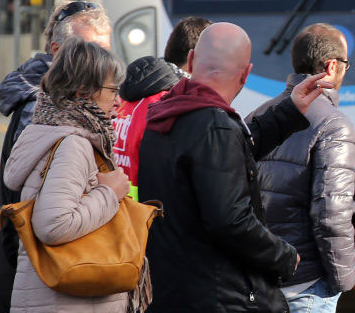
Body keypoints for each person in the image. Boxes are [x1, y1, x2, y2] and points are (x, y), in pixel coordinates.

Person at [137, 22, 332, 312]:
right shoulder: (215, 126)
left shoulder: (165, 116)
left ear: (191, 61)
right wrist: (283, 256)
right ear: (246, 73)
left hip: (171, 290)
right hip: (218, 296)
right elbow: (230, 220)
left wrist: (290, 111)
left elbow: (224, 159)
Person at [0, 0, 112, 313]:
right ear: (57, 51)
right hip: (56, 279)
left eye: (105, 52)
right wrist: (110, 193)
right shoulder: (55, 116)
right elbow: (51, 220)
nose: (102, 63)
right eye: (89, 52)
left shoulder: (56, 104)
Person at [2, 38, 134, 311]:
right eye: (112, 90)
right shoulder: (74, 143)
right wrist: (109, 192)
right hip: (68, 301)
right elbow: (54, 225)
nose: (118, 100)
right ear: (83, 91)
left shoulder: (48, 130)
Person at [250, 23, 355, 312]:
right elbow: (331, 215)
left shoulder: (257, 116)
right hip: (306, 287)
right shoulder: (334, 126)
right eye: (346, 64)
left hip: (261, 281)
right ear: (332, 66)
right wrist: (342, 279)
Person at [112, 17, 212, 200]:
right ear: (194, 59)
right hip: (148, 218)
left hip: (121, 214)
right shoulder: (171, 107)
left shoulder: (130, 98)